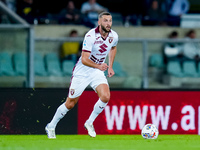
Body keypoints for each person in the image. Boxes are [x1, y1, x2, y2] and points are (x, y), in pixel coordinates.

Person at [45, 12, 118, 138]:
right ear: (99, 22)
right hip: (83, 71)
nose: (108, 23)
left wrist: (110, 66)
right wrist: (99, 66)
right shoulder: (90, 35)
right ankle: (51, 126)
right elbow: (84, 59)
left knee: (105, 97)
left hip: (97, 71)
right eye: (105, 21)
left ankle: (89, 122)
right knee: (70, 104)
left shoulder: (114, 36)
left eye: (110, 21)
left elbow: (113, 48)